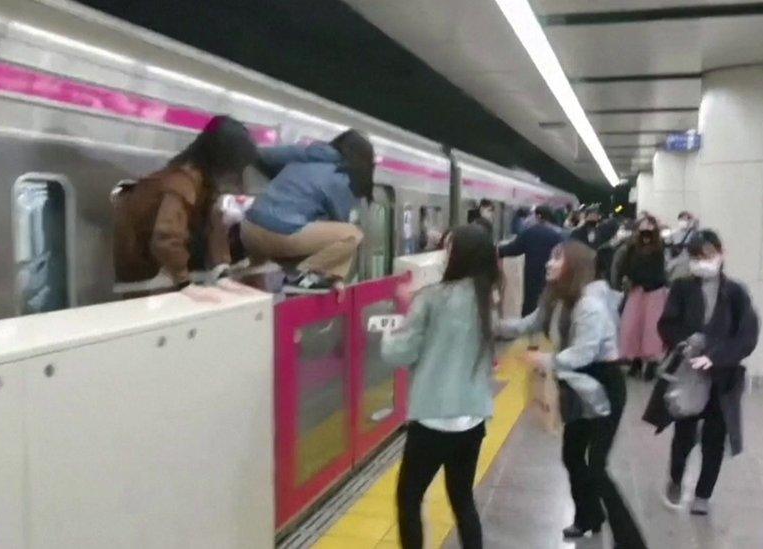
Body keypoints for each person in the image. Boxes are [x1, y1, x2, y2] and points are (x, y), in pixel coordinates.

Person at [500, 241, 647, 549]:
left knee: (597, 464)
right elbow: (530, 324)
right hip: (576, 383)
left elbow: (583, 353)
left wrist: (547, 361)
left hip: (602, 385)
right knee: (572, 454)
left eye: (557, 259)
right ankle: (589, 516)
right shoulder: (556, 298)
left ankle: (630, 540)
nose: (549, 264)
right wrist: (490, 325)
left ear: (574, 267)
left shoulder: (589, 306)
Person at [381, 224, 499, 549]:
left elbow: (400, 352)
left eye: (448, 248)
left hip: (433, 419)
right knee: (462, 500)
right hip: (472, 419)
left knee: (408, 498)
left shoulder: (432, 298)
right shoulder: (487, 296)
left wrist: (403, 313)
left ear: (458, 255)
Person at [645, 230, 759, 517]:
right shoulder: (682, 288)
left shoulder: (736, 293)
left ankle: (703, 494)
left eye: (707, 255)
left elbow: (746, 337)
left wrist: (715, 355)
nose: (702, 262)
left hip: (723, 379)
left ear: (721, 254)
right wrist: (686, 343)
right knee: (683, 434)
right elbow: (667, 325)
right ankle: (676, 478)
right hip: (688, 375)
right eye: (696, 257)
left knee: (714, 439)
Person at [113, 115, 258, 294]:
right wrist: (184, 282)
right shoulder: (182, 183)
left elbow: (216, 224)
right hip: (140, 272)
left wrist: (222, 270)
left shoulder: (205, 184)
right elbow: (165, 237)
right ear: (222, 160)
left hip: (155, 269)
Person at [240, 129, 374, 294]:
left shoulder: (306, 155)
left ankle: (310, 277)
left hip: (248, 228)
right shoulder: (341, 177)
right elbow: (340, 221)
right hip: (279, 234)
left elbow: (262, 155)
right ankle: (304, 277)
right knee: (352, 235)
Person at [619, 216, 669, 380]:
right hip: (637, 291)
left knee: (651, 329)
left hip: (653, 292)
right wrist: (629, 279)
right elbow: (625, 267)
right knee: (633, 327)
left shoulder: (659, 248)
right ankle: (636, 361)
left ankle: (652, 363)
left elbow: (659, 272)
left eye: (649, 225)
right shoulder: (632, 247)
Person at [498, 205, 565, 316]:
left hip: (532, 278)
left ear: (538, 216)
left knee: (530, 306)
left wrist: (497, 250)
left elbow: (513, 249)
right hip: (552, 278)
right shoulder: (559, 235)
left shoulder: (530, 232)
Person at [666, 211, 699, 281]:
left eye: (685, 219)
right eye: (681, 219)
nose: (683, 221)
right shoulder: (673, 233)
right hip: (674, 263)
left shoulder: (693, 233)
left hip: (688, 263)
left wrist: (694, 222)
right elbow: (667, 248)